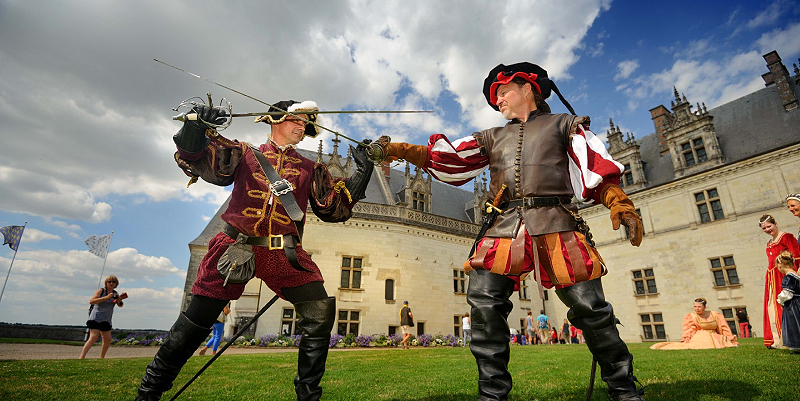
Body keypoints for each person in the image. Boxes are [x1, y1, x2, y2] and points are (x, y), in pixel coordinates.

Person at [368, 62, 645, 400]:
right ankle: (492, 393)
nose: (497, 100)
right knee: (483, 302)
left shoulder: (565, 125)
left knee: (590, 308)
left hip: (555, 221)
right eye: (495, 95)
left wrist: (619, 202)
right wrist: (394, 149)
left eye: (502, 92)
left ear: (528, 89)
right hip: (504, 226)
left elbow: (594, 167)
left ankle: (624, 389)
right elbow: (449, 159)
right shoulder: (491, 137)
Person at [134, 99, 373, 401]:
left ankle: (308, 396)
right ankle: (148, 394)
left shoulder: (311, 168)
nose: (302, 127)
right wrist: (196, 126)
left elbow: (332, 208)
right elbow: (195, 155)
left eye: (306, 124)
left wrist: (364, 170)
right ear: (274, 121)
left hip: (284, 253)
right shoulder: (243, 153)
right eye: (296, 120)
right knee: (194, 322)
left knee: (320, 313)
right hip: (236, 249)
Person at [760, 214, 800, 349]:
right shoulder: (770, 242)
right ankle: (775, 339)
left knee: (783, 304)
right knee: (771, 306)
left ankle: (787, 340)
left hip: (782, 274)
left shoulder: (786, 237)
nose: (767, 229)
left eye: (769, 226)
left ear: (775, 223)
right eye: (764, 228)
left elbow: (796, 256)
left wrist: (794, 273)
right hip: (771, 276)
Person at [650, 298, 738, 350]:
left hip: (715, 335)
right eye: (695, 307)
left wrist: (731, 339)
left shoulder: (715, 315)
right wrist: (687, 337)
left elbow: (724, 327)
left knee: (720, 342)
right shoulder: (691, 316)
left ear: (704, 307)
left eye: (699, 307)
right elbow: (689, 328)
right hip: (701, 336)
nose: (697, 309)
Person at [80, 275, 128, 359]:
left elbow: (120, 305)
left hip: (106, 320)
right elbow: (92, 301)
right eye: (109, 281)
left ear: (116, 284)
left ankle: (102, 357)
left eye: (113, 282)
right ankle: (82, 357)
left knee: (107, 339)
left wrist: (119, 299)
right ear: (106, 283)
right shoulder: (101, 291)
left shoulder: (115, 293)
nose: (111, 283)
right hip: (96, 318)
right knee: (93, 337)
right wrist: (106, 297)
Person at [776, 250, 800, 352]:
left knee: (793, 323)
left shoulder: (788, 277)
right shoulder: (797, 276)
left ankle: (796, 344)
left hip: (792, 304)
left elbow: (787, 293)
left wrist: (780, 300)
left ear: (780, 265)